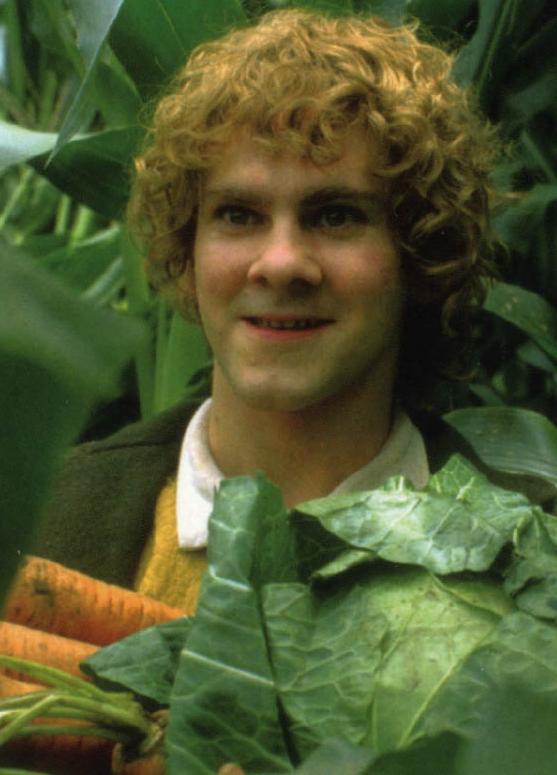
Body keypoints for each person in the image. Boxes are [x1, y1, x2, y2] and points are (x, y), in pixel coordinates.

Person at [29, 7, 501, 607]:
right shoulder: (38, 522)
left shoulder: (532, 553)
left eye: (336, 216)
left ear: (422, 250)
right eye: (238, 215)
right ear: (187, 247)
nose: (280, 263)